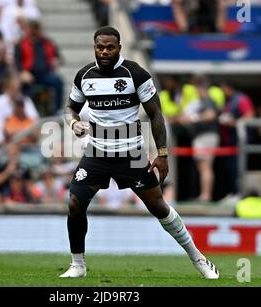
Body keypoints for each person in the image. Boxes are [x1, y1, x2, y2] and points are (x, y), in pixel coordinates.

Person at [60, 26, 219, 279]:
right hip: (97, 154)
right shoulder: (84, 76)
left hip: (131, 154)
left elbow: (156, 113)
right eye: (100, 47)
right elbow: (70, 108)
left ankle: (198, 258)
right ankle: (78, 265)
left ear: (119, 48)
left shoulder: (135, 73)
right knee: (75, 203)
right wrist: (74, 123)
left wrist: (163, 153)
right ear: (94, 47)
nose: (104, 51)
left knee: (158, 206)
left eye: (110, 47)